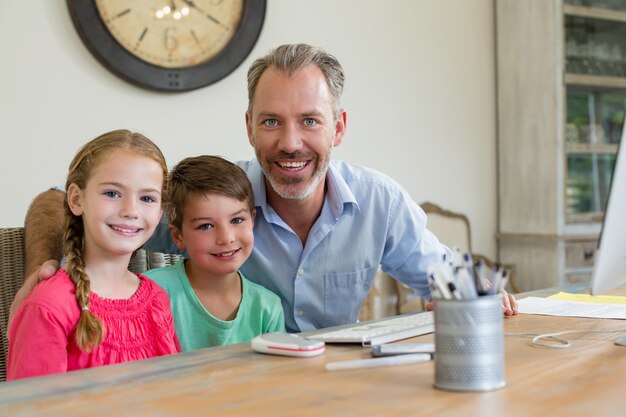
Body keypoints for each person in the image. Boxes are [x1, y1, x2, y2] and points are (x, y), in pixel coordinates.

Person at [12, 44, 517, 335]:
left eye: (310, 121)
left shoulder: (379, 200)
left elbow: (447, 274)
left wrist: (483, 292)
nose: (290, 143)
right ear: (250, 126)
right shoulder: (208, 200)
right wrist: (42, 266)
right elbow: (55, 200)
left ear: (338, 128)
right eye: (272, 121)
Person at [7, 130, 180, 380]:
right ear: (77, 199)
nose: (131, 210)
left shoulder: (156, 299)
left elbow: (174, 388)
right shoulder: (49, 306)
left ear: (160, 211)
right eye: (112, 193)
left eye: (147, 198)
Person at [144, 155, 285, 351]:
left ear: (252, 220)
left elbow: (277, 376)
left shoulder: (267, 308)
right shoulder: (149, 293)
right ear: (178, 237)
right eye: (206, 226)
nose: (226, 238)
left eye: (236, 220)